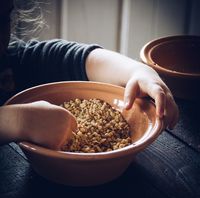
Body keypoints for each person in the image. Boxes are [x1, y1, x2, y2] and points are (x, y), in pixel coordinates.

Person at [0, 0, 179, 150]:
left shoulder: (15, 63)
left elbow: (82, 59)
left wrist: (138, 72)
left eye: (3, 18)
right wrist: (16, 120)